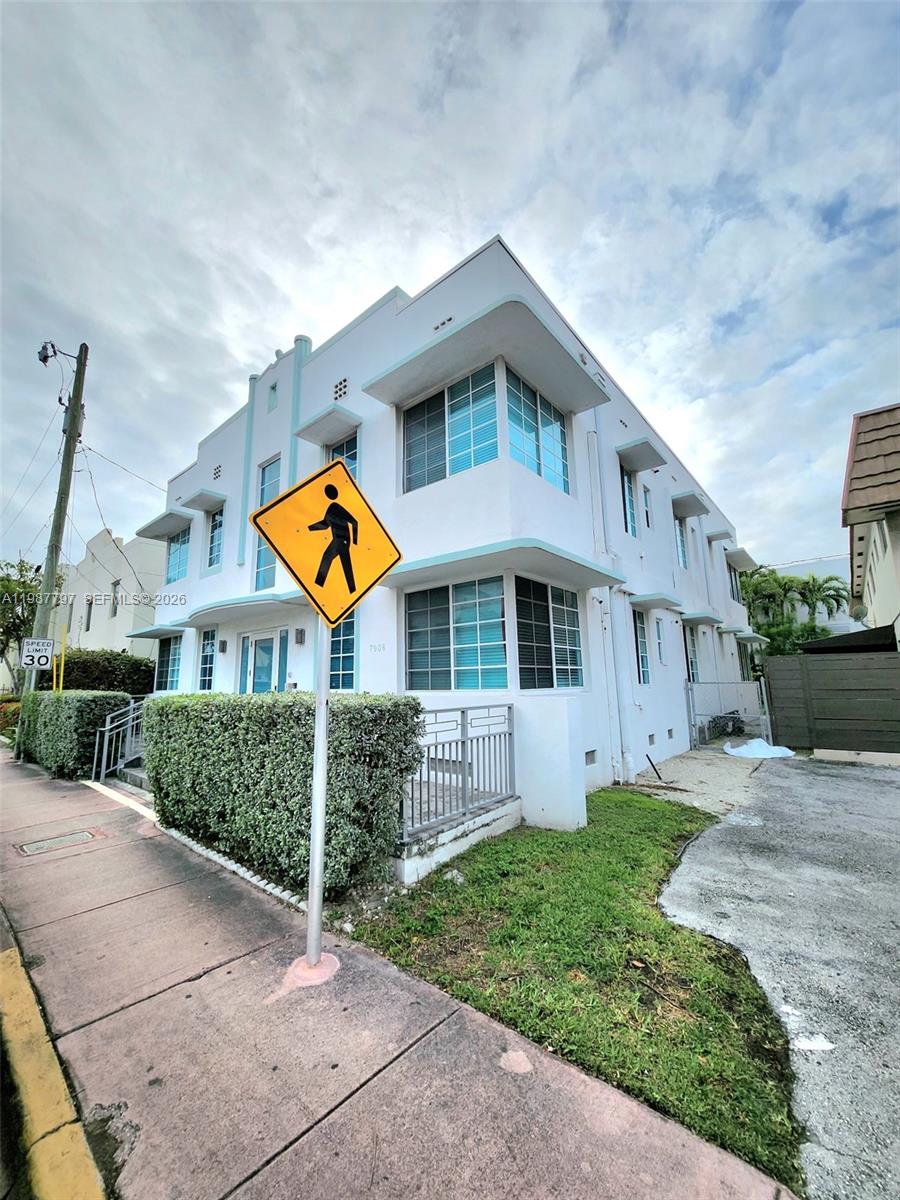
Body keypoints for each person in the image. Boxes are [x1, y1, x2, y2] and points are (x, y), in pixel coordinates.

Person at [308, 484, 358, 592]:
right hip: (338, 540)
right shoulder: (331, 508)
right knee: (344, 565)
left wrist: (355, 541)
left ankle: (319, 585)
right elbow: (325, 525)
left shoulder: (337, 507)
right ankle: (352, 589)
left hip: (342, 540)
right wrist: (308, 528)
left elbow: (354, 522)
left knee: (329, 558)